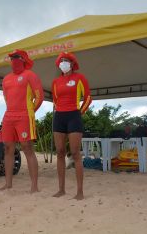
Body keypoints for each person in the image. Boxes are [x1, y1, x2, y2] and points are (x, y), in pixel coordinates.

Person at [0, 49, 44, 193]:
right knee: (7, 148)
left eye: (16, 57)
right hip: (9, 116)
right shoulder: (6, 79)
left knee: (27, 147)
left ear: (24, 59)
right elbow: (7, 98)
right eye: (11, 58)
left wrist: (30, 112)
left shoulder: (30, 75)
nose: (13, 60)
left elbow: (39, 97)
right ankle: (8, 184)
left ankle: (34, 186)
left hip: (24, 116)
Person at [51, 51, 92, 200]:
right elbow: (55, 100)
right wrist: (60, 110)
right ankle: (61, 189)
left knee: (75, 153)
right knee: (60, 152)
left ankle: (80, 192)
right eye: (61, 60)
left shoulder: (79, 78)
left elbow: (87, 97)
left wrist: (79, 112)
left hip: (74, 115)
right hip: (59, 117)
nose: (63, 63)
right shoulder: (55, 82)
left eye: (66, 60)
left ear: (72, 64)